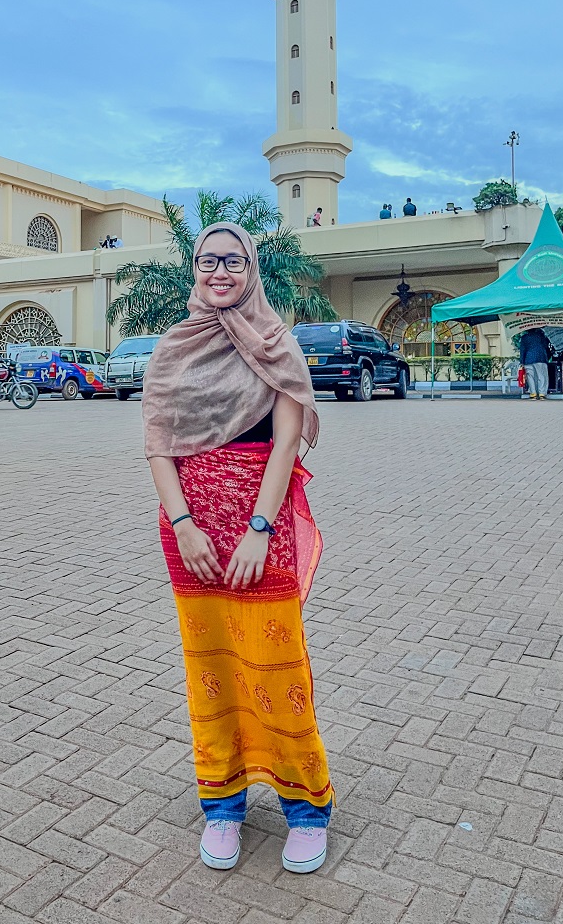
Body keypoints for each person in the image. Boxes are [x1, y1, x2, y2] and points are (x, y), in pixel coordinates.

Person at [142, 223, 332, 877]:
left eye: (232, 260)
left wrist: (259, 527)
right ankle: (222, 803)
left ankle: (307, 809)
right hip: (190, 536)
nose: (219, 270)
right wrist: (186, 523)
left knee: (277, 669)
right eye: (207, 261)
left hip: (260, 531)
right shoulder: (174, 350)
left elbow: (284, 443)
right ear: (194, 270)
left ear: (251, 268)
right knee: (211, 669)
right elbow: (158, 447)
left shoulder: (276, 345)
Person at [519, 327, 551, 400]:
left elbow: (522, 350)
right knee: (541, 376)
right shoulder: (542, 337)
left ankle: (533, 393)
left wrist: (522, 361)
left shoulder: (524, 337)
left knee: (530, 377)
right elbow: (546, 347)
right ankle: (542, 393)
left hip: (528, 359)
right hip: (540, 358)